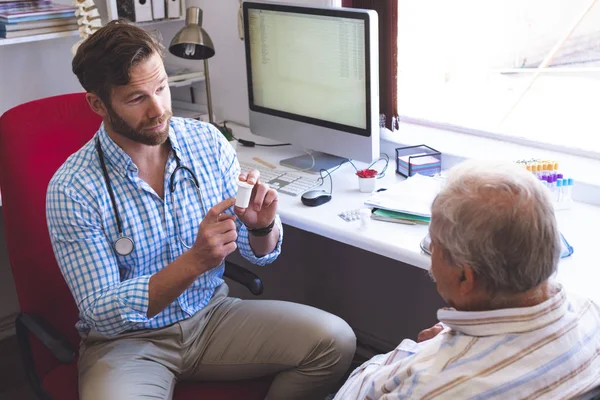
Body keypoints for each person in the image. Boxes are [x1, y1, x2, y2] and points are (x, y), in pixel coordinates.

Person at [46, 20, 355, 400]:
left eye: (161, 87)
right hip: (127, 343)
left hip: (211, 317)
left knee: (334, 341)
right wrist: (193, 261)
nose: (159, 109)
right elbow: (101, 312)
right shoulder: (72, 188)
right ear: (98, 103)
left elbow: (259, 254)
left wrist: (261, 228)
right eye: (136, 98)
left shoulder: (207, 142)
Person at [335, 160, 600, 399]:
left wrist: (415, 352)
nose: (430, 253)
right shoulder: (591, 313)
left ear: (465, 277)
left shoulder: (434, 386)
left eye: (434, 244)